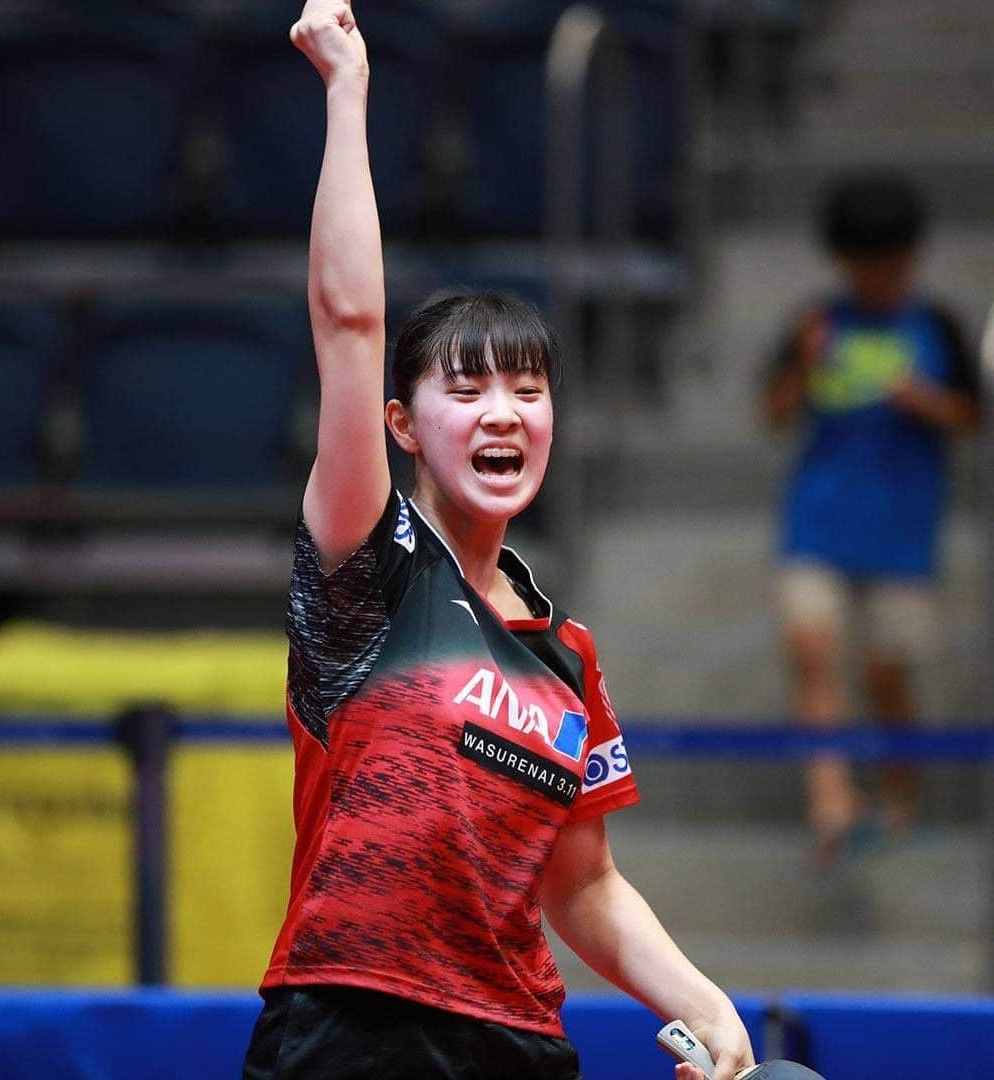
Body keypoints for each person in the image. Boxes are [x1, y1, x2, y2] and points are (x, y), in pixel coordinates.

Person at [243, 3, 755, 1078]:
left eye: (528, 390)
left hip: (517, 1041)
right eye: (465, 390)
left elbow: (584, 884)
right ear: (403, 426)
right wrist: (346, 89)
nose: (504, 414)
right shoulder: (367, 571)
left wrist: (710, 1006)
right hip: (353, 1025)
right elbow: (348, 325)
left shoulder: (568, 660)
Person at [762, 171, 981, 866]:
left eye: (888, 264)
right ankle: (831, 801)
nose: (876, 278)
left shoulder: (938, 326)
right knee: (811, 649)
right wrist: (805, 366)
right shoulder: (816, 323)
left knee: (888, 671)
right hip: (818, 519)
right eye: (863, 265)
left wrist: (926, 402)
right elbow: (773, 411)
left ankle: (897, 793)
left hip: (902, 532)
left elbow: (972, 417)